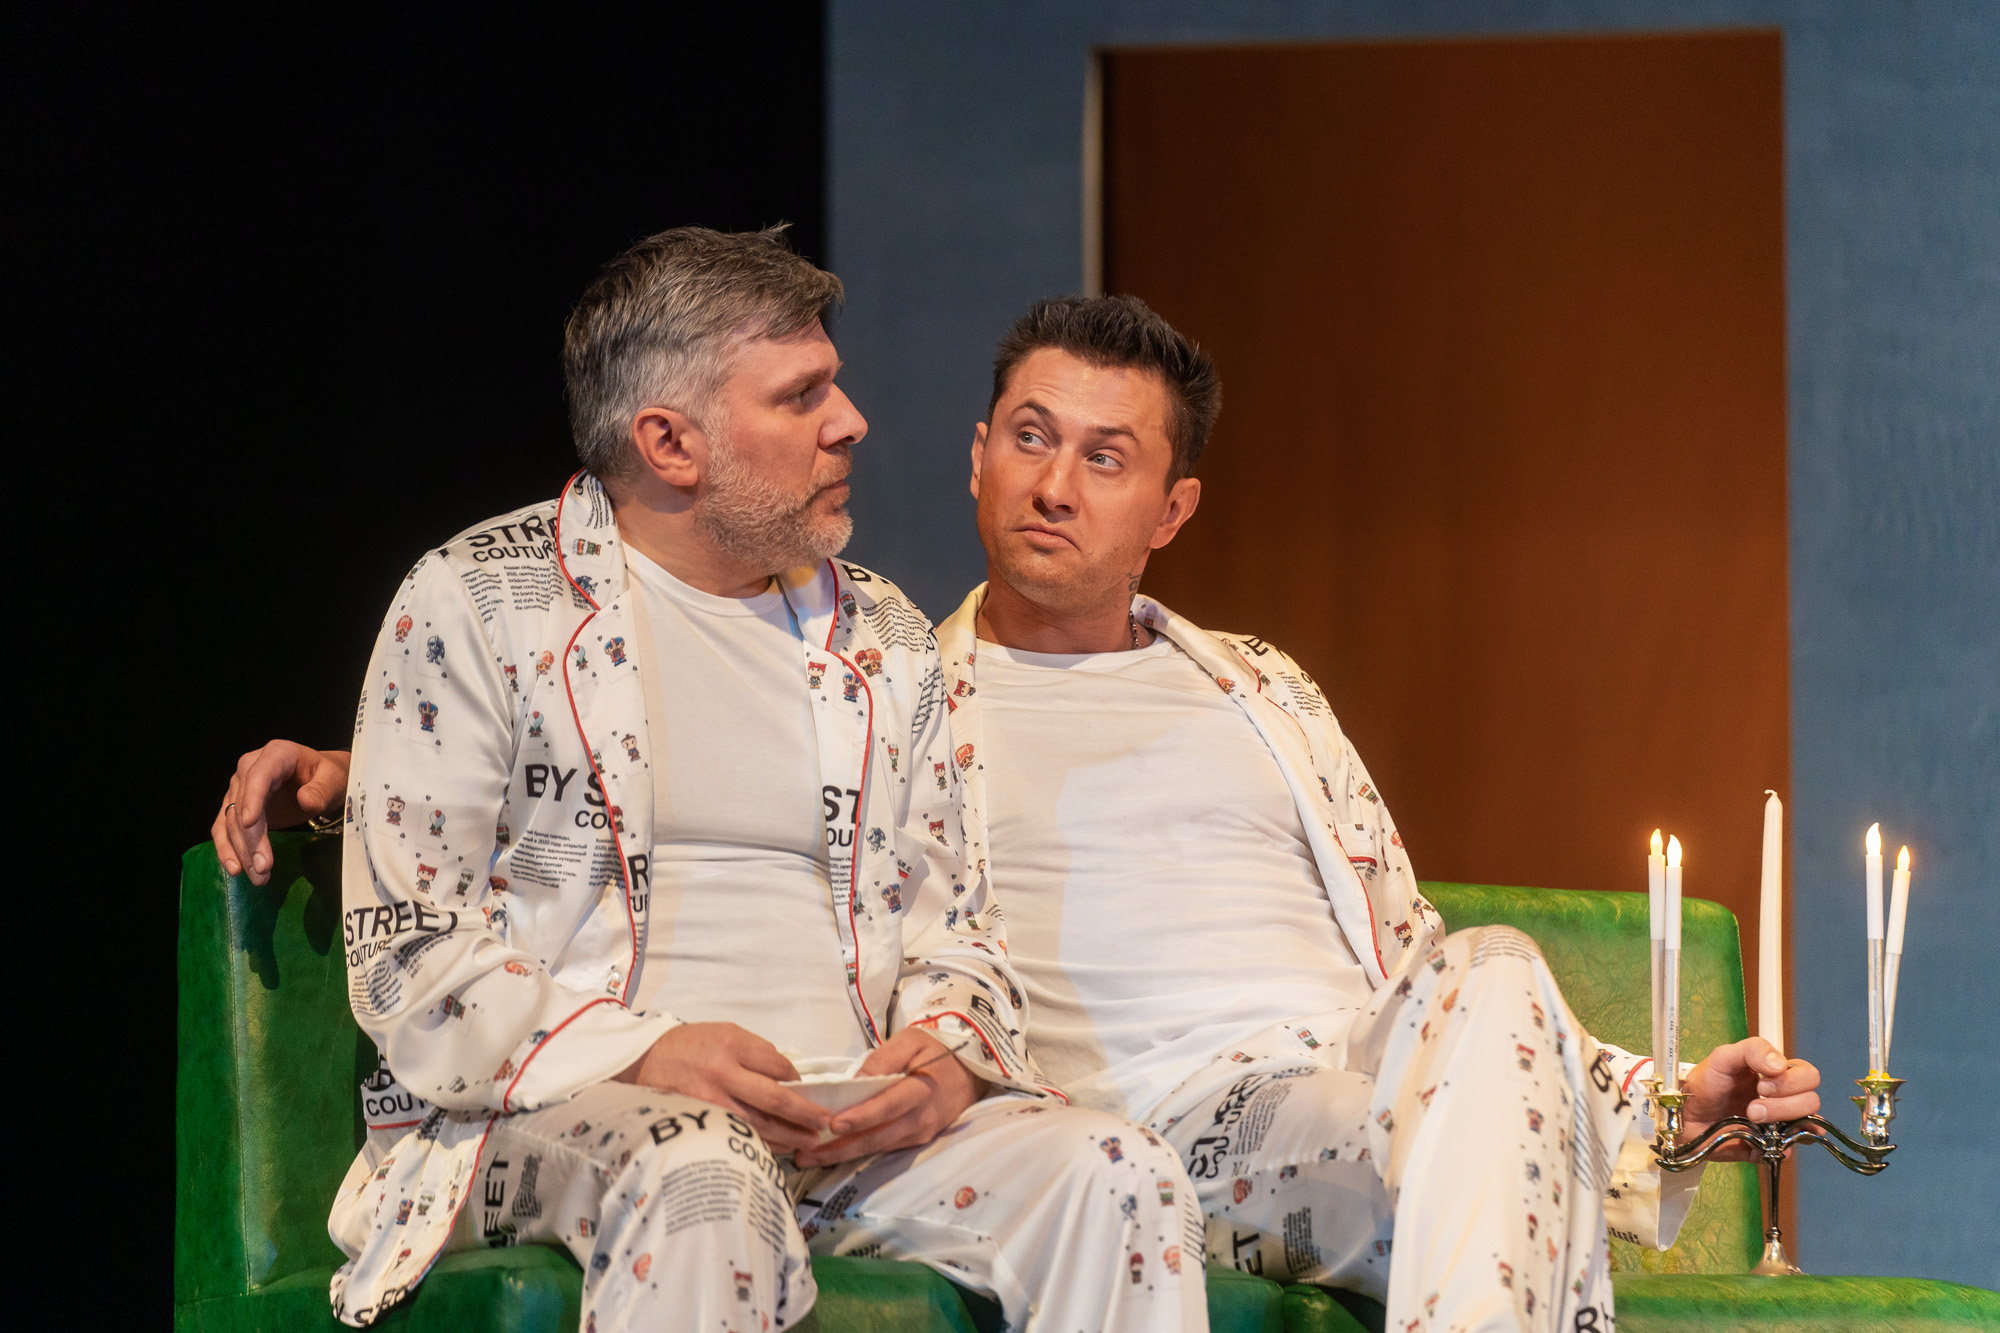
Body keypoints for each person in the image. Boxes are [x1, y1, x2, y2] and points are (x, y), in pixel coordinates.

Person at [220, 293, 1820, 1332]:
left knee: (1497, 968)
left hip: (1370, 1083)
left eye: (1107, 459)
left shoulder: (1264, 690)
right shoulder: (911, 683)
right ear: (980, 457)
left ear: (1173, 509)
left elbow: (1414, 968)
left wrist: (1662, 1103)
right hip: (1201, 1123)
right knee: (1417, 1135)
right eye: (1031, 440)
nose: (1055, 485)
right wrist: (368, 775)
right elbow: (648, 764)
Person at [222, 230, 1205, 1333]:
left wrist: (944, 1055)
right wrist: (648, 1051)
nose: (851, 421)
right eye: (802, 396)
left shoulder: (881, 633)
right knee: (703, 1172)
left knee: (1116, 1171)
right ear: (670, 442)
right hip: (570, 1109)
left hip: (846, 1130)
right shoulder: (478, 602)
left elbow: (956, 927)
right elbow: (414, 954)